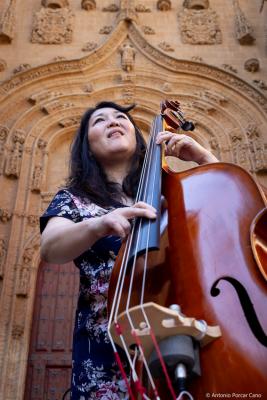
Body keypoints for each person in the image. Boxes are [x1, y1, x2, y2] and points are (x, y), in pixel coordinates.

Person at [40, 101, 218, 399]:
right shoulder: (73, 199)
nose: (113, 122)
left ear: (137, 139)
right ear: (87, 144)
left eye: (121, 117)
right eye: (99, 120)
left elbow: (231, 214)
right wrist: (99, 225)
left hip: (185, 336)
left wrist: (204, 159)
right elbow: (51, 248)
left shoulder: (172, 191)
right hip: (109, 351)